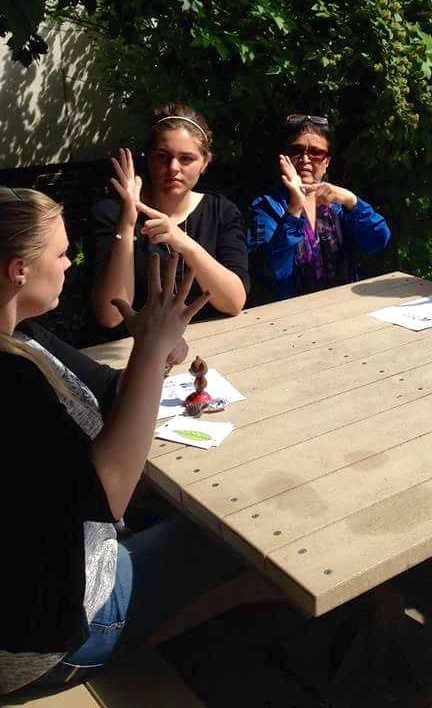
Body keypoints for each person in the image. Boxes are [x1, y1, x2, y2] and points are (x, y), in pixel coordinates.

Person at [0, 187, 243, 695]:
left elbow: (107, 390)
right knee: (226, 536)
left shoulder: (21, 334)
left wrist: (151, 347)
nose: (70, 264)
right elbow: (107, 494)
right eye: (62, 253)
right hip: (41, 641)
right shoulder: (10, 382)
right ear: (18, 268)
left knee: (195, 507)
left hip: (52, 562)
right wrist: (152, 354)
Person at [91, 104, 249, 336]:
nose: (173, 168)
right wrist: (126, 225)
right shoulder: (112, 213)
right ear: (149, 158)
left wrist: (182, 241)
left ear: (205, 162)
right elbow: (110, 315)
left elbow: (234, 302)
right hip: (135, 352)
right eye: (163, 157)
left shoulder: (222, 212)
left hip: (212, 343)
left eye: (186, 159)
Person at [247, 113, 391, 302]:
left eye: (315, 152)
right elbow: (271, 272)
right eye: (296, 150)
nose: (305, 159)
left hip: (343, 308)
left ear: (327, 161)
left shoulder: (339, 206)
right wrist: (294, 210)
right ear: (285, 157)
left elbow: (379, 241)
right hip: (289, 317)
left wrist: (352, 201)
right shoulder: (266, 207)